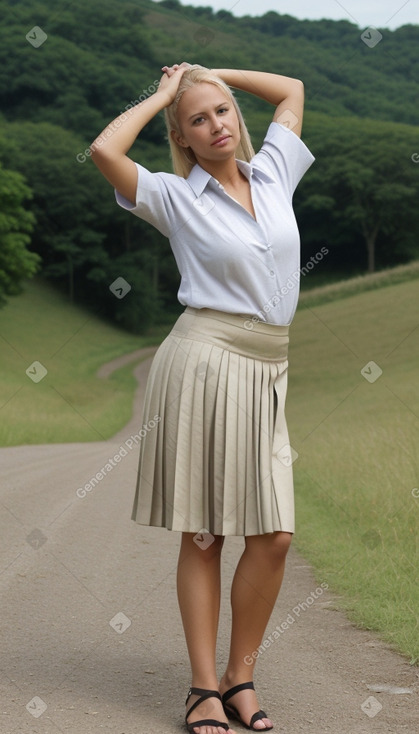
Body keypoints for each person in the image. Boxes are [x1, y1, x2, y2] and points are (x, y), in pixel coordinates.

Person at [91, 63, 314, 734]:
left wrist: (210, 74)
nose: (215, 124)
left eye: (221, 111)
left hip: (268, 367)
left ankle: (239, 676)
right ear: (182, 137)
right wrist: (165, 94)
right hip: (206, 360)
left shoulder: (274, 172)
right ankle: (202, 690)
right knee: (206, 530)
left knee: (272, 536)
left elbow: (291, 91)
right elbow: (106, 151)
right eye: (197, 119)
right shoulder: (170, 196)